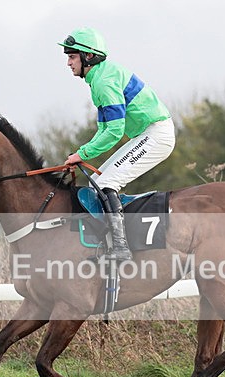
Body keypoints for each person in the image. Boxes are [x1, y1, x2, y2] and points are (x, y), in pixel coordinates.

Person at [59, 28, 175, 261]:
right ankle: (112, 243)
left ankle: (121, 247)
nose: (68, 63)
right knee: (99, 183)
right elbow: (104, 129)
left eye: (72, 57)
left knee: (107, 183)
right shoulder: (98, 78)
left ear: (88, 57)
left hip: (156, 134)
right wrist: (81, 154)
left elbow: (114, 131)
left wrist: (82, 154)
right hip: (147, 134)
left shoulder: (103, 82)